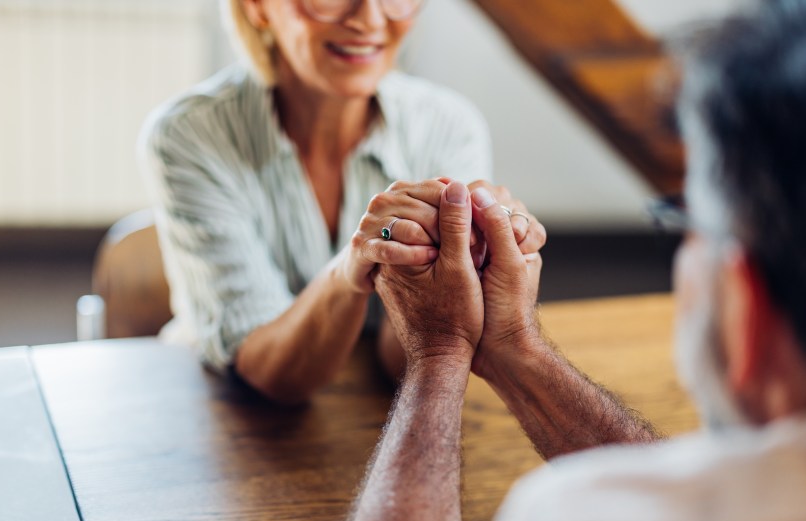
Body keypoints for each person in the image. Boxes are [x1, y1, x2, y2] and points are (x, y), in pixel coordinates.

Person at [327, 0, 806, 521]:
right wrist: (515, 347)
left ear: (745, 306)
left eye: (690, 224)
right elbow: (728, 495)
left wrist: (438, 350)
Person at [140, 0, 540, 403]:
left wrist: (471, 262)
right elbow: (270, 372)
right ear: (257, 8)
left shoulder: (449, 126)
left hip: (372, 405)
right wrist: (354, 265)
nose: (369, 19)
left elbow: (404, 360)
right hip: (222, 409)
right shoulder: (188, 134)